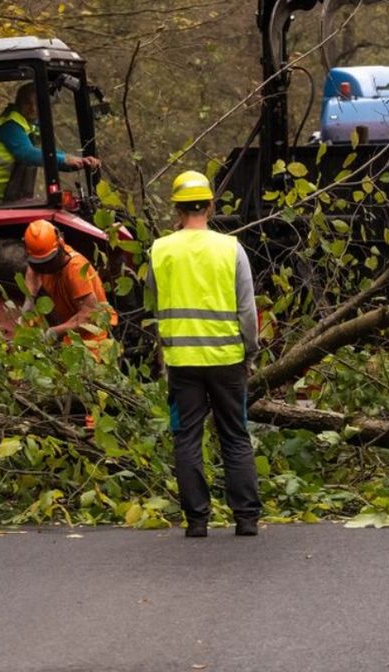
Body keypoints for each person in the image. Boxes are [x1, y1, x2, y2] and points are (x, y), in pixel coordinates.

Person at [146, 170, 261, 538]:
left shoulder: (160, 250)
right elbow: (247, 310)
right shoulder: (231, 249)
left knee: (187, 438)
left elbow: (153, 299)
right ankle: (246, 519)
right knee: (235, 435)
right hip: (227, 360)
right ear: (211, 206)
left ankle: (197, 521)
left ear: (177, 210)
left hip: (182, 363)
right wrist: (251, 350)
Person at [0, 82, 100, 207]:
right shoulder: (10, 125)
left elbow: (42, 152)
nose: (32, 108)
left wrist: (74, 161)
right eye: (27, 103)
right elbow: (27, 154)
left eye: (37, 104)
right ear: (18, 103)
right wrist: (64, 159)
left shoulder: (30, 126)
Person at [20, 219, 117, 355]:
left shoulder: (75, 269)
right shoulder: (40, 262)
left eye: (48, 261)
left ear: (60, 244)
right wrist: (29, 300)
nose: (45, 267)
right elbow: (33, 270)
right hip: (72, 333)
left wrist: (55, 331)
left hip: (94, 336)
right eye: (39, 262)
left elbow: (90, 315)